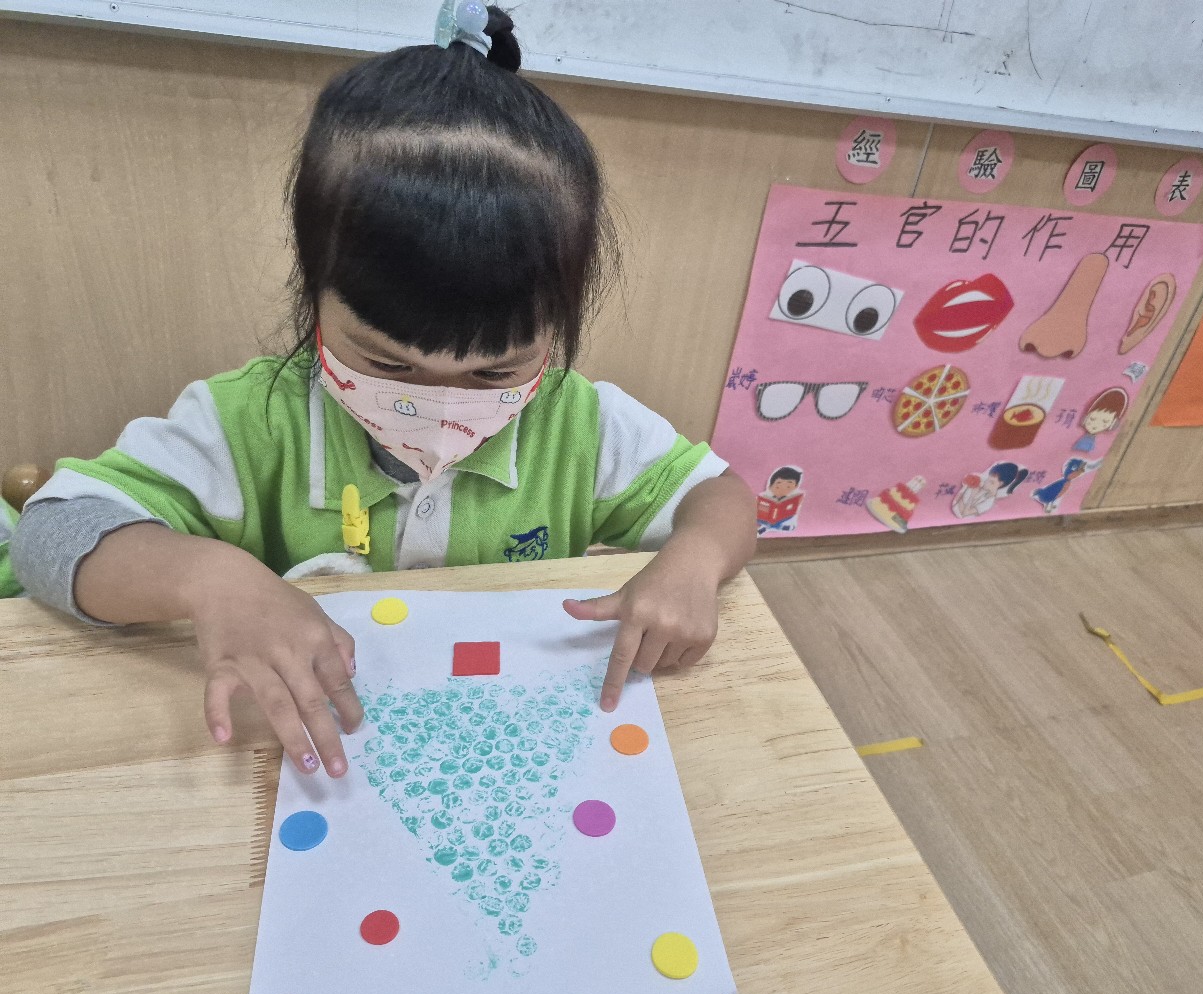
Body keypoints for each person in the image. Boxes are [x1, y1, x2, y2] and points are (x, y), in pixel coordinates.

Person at [11, 3, 754, 780]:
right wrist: (209, 580)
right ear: (312, 296)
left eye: (493, 373)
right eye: (388, 364)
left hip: (493, 741)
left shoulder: (579, 424)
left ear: (558, 332)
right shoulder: (250, 421)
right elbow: (48, 534)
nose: (437, 404)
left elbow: (722, 496)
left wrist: (695, 560)